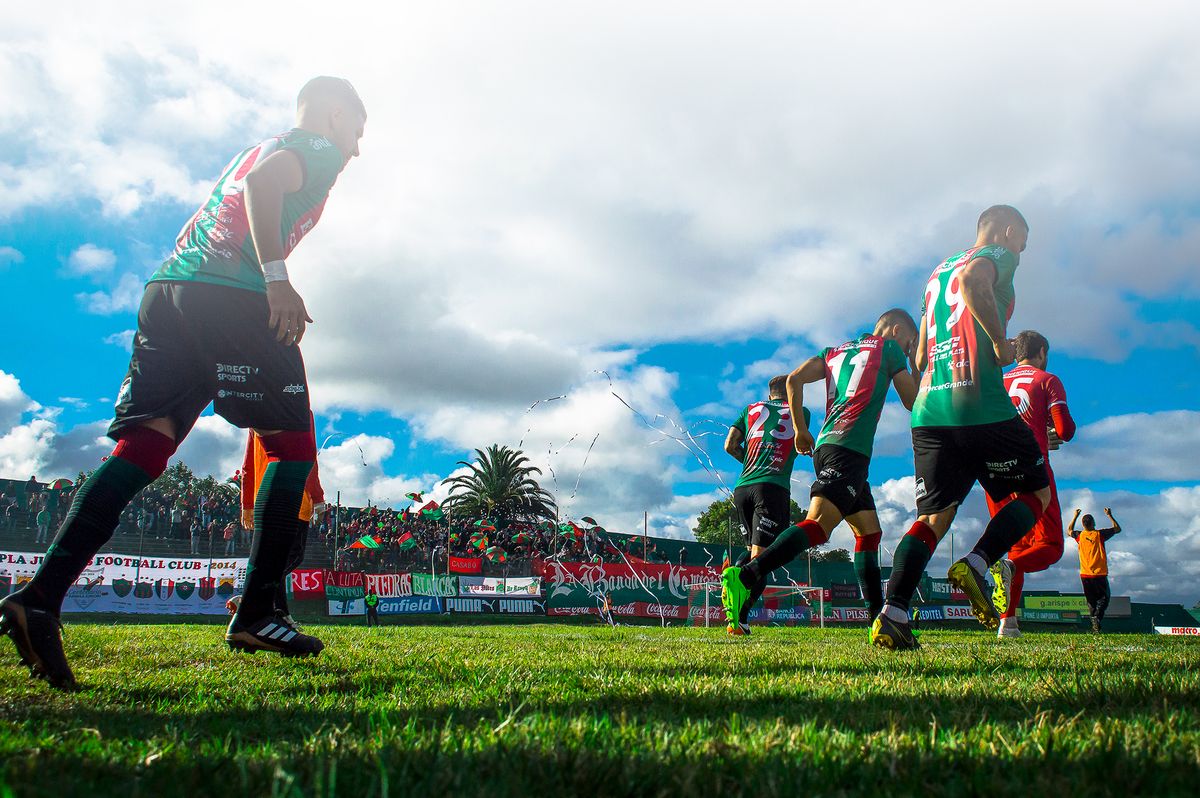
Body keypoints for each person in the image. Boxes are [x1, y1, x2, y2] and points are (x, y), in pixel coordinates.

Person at [0, 77, 366, 689]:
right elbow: (263, 185)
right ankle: (257, 612)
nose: (356, 149)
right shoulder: (314, 149)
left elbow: (221, 207)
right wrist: (276, 278)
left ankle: (39, 598)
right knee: (294, 446)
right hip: (233, 298)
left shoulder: (255, 145)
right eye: (356, 130)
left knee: (145, 447)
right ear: (333, 116)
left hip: (170, 292)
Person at [872, 205, 1052, 651]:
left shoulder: (936, 273)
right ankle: (979, 561)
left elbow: (917, 358)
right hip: (982, 403)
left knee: (932, 517)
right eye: (1022, 243)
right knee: (1038, 493)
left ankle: (892, 613)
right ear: (1008, 231)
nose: (1020, 253)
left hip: (930, 411)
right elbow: (974, 283)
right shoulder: (996, 254)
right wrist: (997, 341)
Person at [722, 309, 920, 628]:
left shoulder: (834, 352)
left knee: (869, 532)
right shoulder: (891, 349)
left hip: (828, 445)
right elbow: (913, 402)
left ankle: (876, 619)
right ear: (897, 331)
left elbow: (795, 378)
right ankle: (747, 575)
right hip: (849, 451)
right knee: (818, 525)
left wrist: (801, 430)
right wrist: (914, 363)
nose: (908, 347)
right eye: (909, 341)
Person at [985, 330, 1077, 639]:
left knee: (1016, 544)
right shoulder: (1047, 379)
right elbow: (1065, 430)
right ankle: (1005, 568)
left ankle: (1007, 624)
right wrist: (1048, 425)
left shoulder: (997, 381)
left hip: (994, 470)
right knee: (1049, 547)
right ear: (1040, 353)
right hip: (1032, 468)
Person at [721, 376, 811, 635]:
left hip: (743, 487)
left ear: (770, 392)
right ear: (790, 391)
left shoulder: (749, 409)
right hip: (771, 489)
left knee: (752, 552)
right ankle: (740, 619)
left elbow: (729, 445)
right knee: (762, 561)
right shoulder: (800, 411)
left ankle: (734, 589)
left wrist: (750, 465)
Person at [239, 420, 325, 627]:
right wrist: (318, 496)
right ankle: (257, 603)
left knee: (274, 559)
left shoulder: (258, 412)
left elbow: (248, 463)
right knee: (289, 557)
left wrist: (247, 502)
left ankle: (272, 610)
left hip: (264, 496)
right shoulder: (300, 411)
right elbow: (307, 455)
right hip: (293, 496)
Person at [1070, 508, 1122, 633]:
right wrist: (1110, 515)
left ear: (1083, 525)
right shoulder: (1100, 534)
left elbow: (1069, 530)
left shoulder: (1080, 535)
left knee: (1091, 601)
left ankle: (1094, 625)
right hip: (1099, 573)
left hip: (1085, 574)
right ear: (1093, 523)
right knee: (1105, 598)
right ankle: (1097, 618)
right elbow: (1117, 528)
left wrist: (1075, 516)